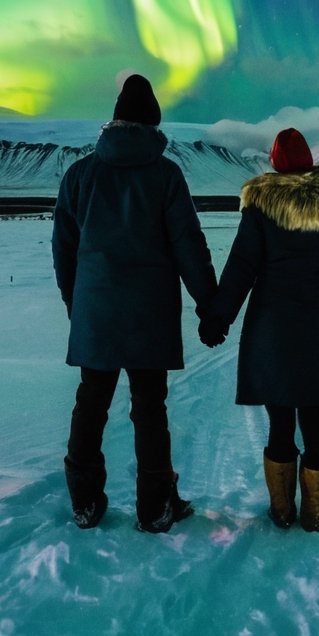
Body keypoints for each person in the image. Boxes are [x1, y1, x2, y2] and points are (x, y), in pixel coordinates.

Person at [52, 72, 219, 533]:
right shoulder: (165, 175)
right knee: (150, 409)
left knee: (91, 403)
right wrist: (210, 306)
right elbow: (188, 243)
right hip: (149, 317)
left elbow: (63, 248)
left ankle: (85, 501)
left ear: (115, 119)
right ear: (153, 124)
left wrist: (76, 303)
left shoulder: (80, 175)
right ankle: (155, 507)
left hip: (96, 313)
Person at [200, 127, 319, 532]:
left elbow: (241, 268)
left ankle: (283, 512)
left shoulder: (260, 207)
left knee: (280, 423)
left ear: (274, 162)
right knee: (316, 425)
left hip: (271, 326)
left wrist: (219, 316)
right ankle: (318, 515)